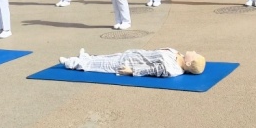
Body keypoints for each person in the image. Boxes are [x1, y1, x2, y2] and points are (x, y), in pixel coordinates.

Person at [59, 48, 206, 77]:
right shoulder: (178, 55)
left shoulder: (172, 68)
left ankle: (71, 63)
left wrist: (132, 71)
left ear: (188, 64)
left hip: (130, 63)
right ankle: (84, 57)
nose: (193, 51)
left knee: (99, 65)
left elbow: (152, 70)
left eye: (194, 55)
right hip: (132, 55)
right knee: (103, 57)